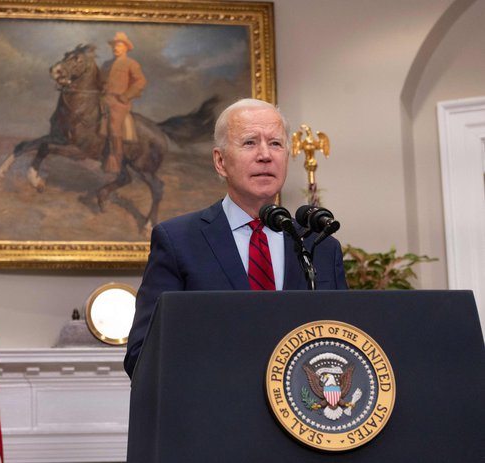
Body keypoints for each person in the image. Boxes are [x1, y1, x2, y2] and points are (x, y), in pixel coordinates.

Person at [124, 98, 348, 378]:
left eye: (276, 144)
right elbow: (142, 354)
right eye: (250, 143)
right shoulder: (178, 241)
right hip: (214, 411)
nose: (265, 155)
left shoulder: (321, 245)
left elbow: (343, 346)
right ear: (220, 161)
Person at [101, 32, 147, 173]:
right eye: (114, 45)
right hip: (103, 99)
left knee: (114, 125)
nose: (116, 48)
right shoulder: (106, 64)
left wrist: (127, 96)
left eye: (119, 45)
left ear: (126, 47)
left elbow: (141, 81)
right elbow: (101, 82)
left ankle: (116, 159)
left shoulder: (131, 64)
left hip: (119, 102)